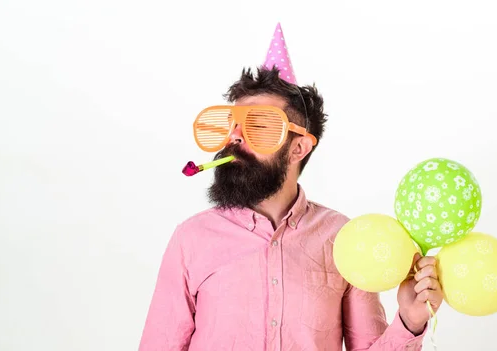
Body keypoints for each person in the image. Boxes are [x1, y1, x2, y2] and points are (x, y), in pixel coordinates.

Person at [138, 23, 443, 351]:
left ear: (299, 148)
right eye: (233, 125)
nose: (235, 137)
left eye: (260, 125)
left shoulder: (344, 238)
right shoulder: (191, 239)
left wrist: (410, 321)